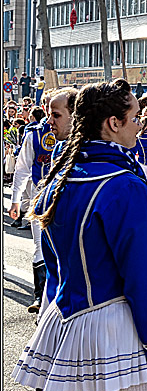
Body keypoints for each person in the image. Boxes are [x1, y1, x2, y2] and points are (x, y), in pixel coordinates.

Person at [13, 79, 147, 391]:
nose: (140, 125)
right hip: (115, 330)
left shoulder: (58, 179)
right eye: (135, 117)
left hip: (68, 323)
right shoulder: (124, 184)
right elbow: (143, 281)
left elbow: (52, 270)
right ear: (113, 123)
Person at [7, 90, 76, 314]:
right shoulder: (35, 135)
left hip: (67, 200)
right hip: (41, 196)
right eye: (47, 111)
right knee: (41, 245)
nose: (49, 119)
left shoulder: (81, 141)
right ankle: (41, 295)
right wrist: (16, 200)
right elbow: (23, 169)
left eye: (55, 113)